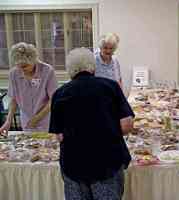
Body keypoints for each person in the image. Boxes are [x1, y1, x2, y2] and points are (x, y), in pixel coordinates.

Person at [49, 48, 134, 200]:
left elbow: (60, 136)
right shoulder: (110, 86)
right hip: (107, 161)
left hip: (73, 164)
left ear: (70, 70)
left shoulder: (60, 93)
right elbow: (127, 125)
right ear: (92, 66)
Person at [0, 42, 58, 134]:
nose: (22, 70)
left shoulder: (47, 71)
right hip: (26, 118)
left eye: (25, 66)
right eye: (19, 66)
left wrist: (37, 118)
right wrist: (8, 121)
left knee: (45, 145)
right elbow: (14, 99)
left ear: (33, 60)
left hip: (45, 118)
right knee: (29, 145)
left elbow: (53, 99)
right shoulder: (14, 73)